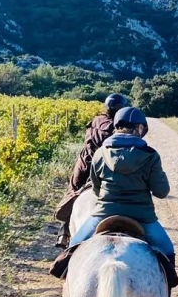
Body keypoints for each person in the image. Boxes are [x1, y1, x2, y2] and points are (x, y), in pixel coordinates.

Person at [66, 106, 178, 297]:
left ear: (116, 127)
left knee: (73, 250)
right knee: (168, 251)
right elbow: (162, 192)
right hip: (142, 217)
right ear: (139, 128)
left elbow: (97, 190)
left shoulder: (100, 153)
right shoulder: (150, 155)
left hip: (103, 213)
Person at [54, 93, 130, 248]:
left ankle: (63, 233)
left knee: (73, 192)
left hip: (84, 162)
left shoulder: (97, 120)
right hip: (103, 163)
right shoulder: (116, 127)